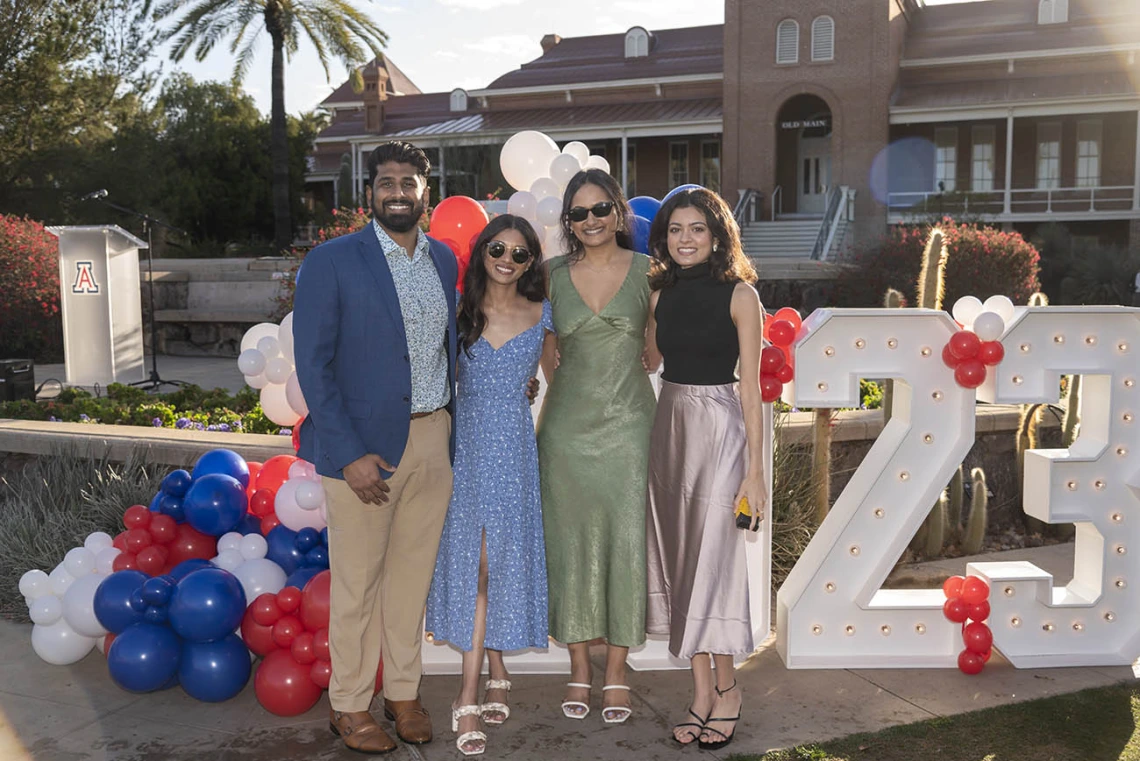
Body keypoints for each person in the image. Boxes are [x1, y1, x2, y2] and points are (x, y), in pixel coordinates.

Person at [293, 140, 458, 754]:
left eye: (407, 183)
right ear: (370, 193)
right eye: (385, 182)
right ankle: (350, 705)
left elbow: (448, 347)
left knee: (410, 581)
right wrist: (347, 452)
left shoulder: (442, 261)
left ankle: (404, 693)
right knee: (358, 585)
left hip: (433, 436)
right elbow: (314, 364)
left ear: (425, 192)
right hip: (363, 450)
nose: (396, 192)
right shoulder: (332, 261)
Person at [425, 215, 556, 756]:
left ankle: (496, 668)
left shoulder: (544, 314)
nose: (507, 258)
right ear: (482, 251)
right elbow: (433, 378)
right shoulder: (458, 312)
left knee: (500, 560)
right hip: (468, 450)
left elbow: (558, 379)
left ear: (531, 262)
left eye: (520, 253)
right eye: (497, 247)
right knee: (476, 565)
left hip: (516, 452)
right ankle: (467, 696)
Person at [642, 187, 766, 751]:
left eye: (696, 228)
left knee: (713, 559)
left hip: (719, 428)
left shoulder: (740, 295)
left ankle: (729, 690)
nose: (685, 238)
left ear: (717, 236)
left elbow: (752, 389)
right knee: (681, 559)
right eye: (675, 229)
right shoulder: (657, 293)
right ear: (663, 237)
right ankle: (699, 694)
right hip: (669, 426)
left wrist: (754, 472)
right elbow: (649, 360)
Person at [537, 168, 656, 724]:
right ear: (568, 222)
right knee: (569, 547)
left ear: (619, 212)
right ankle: (580, 668)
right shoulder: (551, 275)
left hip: (631, 430)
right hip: (564, 434)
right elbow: (545, 345)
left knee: (627, 545)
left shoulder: (649, 273)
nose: (590, 222)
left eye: (600, 210)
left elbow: (654, 354)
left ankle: (616, 672)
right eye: (578, 214)